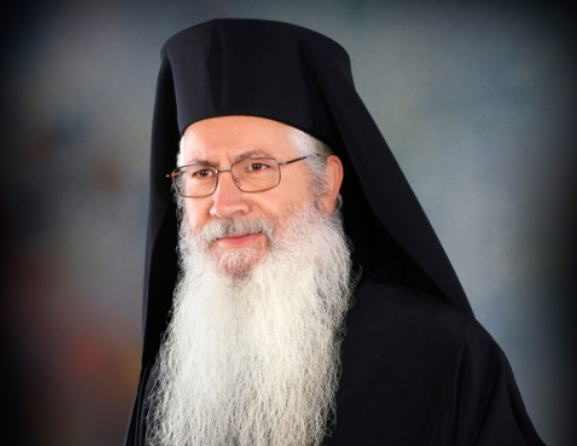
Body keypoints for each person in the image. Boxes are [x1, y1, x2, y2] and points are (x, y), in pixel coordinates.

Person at [124, 19, 546, 446]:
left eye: (256, 167)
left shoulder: (445, 356)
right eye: (201, 173)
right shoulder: (174, 379)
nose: (224, 204)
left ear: (326, 185)